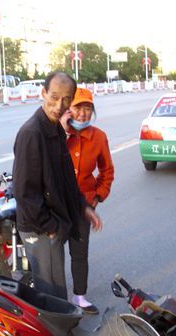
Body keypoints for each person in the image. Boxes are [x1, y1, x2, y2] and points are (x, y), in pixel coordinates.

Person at [12, 72, 102, 304]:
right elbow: (24, 192)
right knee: (53, 296)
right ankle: (53, 329)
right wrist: (50, 227)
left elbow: (66, 179)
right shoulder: (32, 133)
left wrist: (82, 207)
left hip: (51, 222)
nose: (59, 106)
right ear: (43, 93)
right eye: (54, 97)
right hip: (39, 227)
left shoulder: (55, 129)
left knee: (54, 291)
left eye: (66, 99)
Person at [60, 88, 115, 314]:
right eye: (78, 107)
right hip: (57, 205)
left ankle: (79, 297)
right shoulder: (57, 134)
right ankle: (54, 300)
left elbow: (107, 171)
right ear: (68, 110)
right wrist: (62, 132)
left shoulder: (98, 137)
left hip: (84, 205)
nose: (83, 113)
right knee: (53, 254)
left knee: (79, 252)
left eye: (88, 108)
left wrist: (97, 196)